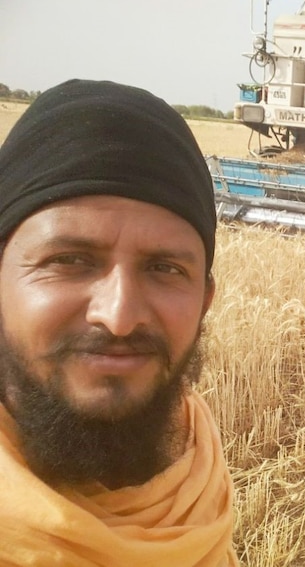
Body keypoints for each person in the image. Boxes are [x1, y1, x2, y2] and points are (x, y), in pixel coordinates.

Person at [0, 79, 238, 566]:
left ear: (205, 301)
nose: (120, 317)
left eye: (165, 269)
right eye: (69, 260)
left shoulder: (197, 475)